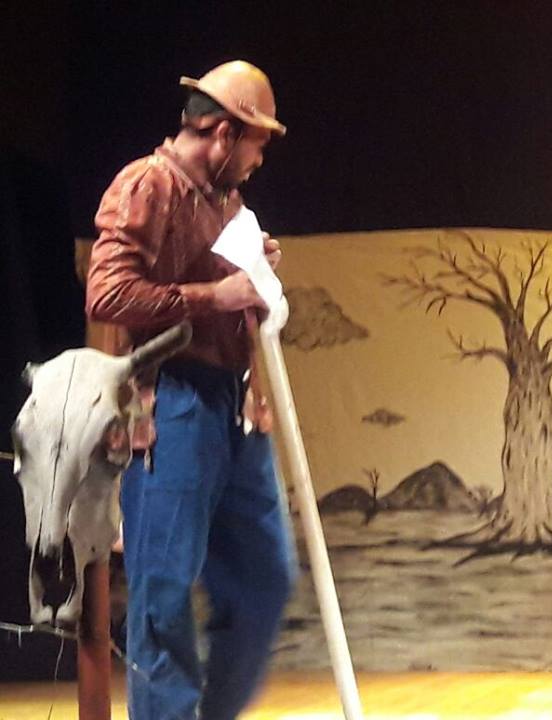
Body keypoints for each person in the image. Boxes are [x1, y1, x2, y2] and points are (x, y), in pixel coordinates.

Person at [86, 60, 296, 720]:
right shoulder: (147, 184)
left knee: (264, 580)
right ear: (224, 133)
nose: (259, 159)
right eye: (257, 142)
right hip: (170, 403)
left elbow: (232, 299)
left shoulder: (229, 205)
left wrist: (254, 277)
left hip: (232, 408)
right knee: (165, 597)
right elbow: (107, 293)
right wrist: (216, 294)